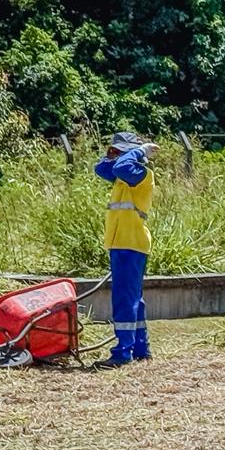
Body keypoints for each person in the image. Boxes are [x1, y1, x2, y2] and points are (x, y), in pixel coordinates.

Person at [95, 132, 157, 367]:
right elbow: (100, 169)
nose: (118, 156)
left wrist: (139, 151)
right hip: (124, 242)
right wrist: (110, 153)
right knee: (133, 299)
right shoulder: (123, 176)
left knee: (124, 299)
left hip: (129, 243)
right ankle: (141, 347)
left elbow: (121, 166)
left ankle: (122, 351)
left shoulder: (139, 174)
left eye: (122, 151)